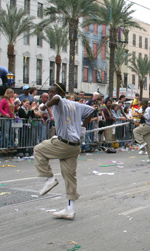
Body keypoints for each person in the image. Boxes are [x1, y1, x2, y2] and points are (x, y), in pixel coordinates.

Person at [35, 83, 94, 220]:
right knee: (69, 176)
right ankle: (70, 209)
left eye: (51, 91)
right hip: (74, 146)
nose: (49, 93)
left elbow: (56, 98)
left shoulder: (58, 100)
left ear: (60, 92)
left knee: (38, 150)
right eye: (49, 91)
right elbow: (91, 110)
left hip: (64, 143)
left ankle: (49, 178)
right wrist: (83, 128)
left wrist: (43, 106)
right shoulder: (74, 104)